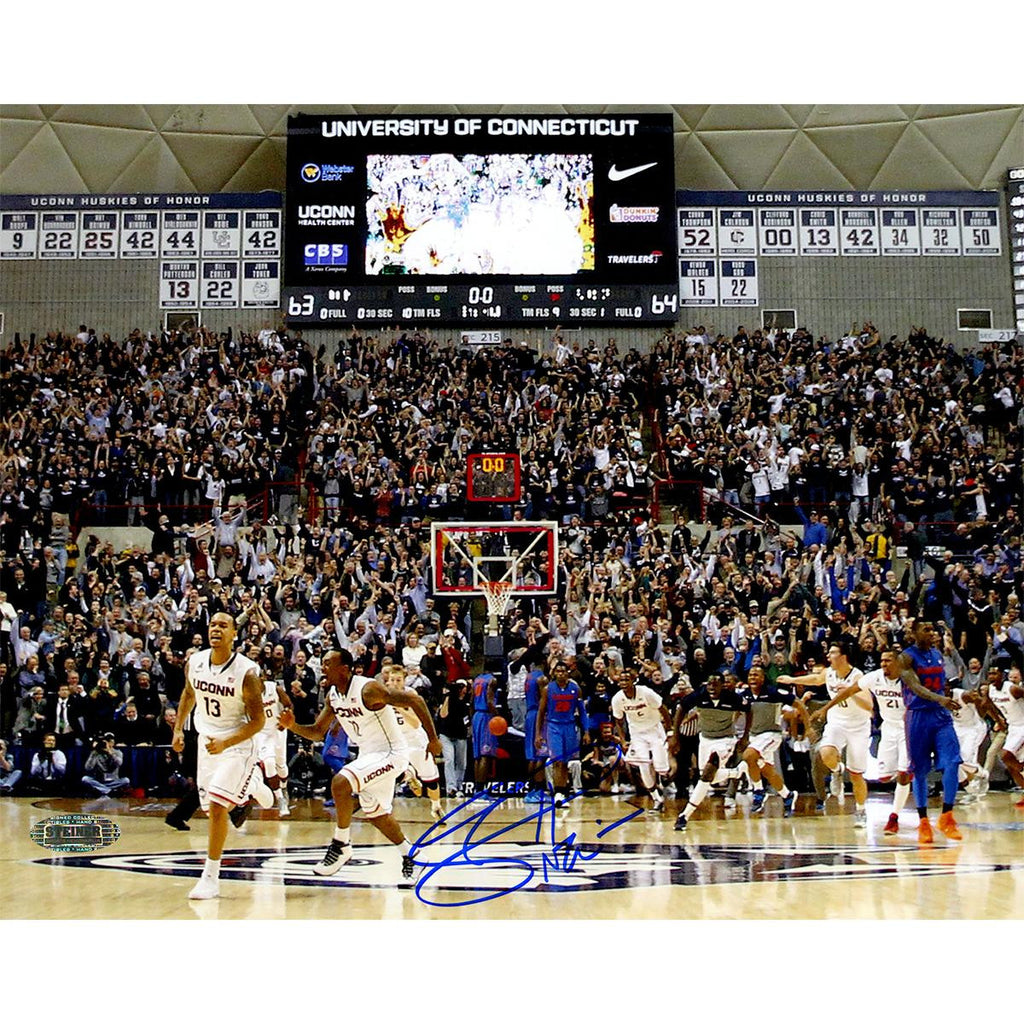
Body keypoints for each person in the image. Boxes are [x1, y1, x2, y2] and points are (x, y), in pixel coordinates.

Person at [279, 647, 436, 879]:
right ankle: (411, 854)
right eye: (322, 663)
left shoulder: (368, 689)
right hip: (369, 754)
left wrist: (433, 739)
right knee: (377, 814)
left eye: (327, 663)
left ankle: (341, 845)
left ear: (344, 669)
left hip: (392, 752)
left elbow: (415, 699)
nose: (322, 667)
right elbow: (317, 732)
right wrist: (292, 726)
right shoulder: (334, 695)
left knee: (341, 781)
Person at [171, 612, 273, 899]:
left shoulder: (248, 673)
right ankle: (251, 785)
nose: (216, 629)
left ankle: (210, 877)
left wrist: (227, 742)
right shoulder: (195, 662)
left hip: (237, 745)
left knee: (217, 807)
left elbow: (258, 723)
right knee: (213, 808)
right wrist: (178, 729)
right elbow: (188, 694)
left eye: (223, 626)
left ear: (234, 634)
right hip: (208, 743)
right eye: (213, 625)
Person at [778, 638, 872, 828]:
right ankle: (837, 771)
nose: (828, 655)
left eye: (833, 652)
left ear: (843, 656)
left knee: (857, 775)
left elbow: (869, 706)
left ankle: (861, 810)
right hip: (837, 722)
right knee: (825, 752)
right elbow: (815, 679)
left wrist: (850, 692)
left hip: (858, 726)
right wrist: (792, 680)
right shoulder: (829, 673)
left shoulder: (858, 677)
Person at [897, 619, 965, 843]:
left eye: (932, 629)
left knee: (953, 762)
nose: (931, 633)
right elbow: (916, 688)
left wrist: (946, 699)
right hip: (918, 716)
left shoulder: (937, 654)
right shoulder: (905, 657)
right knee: (920, 770)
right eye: (925, 629)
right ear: (914, 633)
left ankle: (947, 815)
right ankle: (923, 822)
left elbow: (941, 684)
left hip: (941, 716)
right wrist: (942, 699)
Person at [673, 674, 750, 831]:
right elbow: (681, 709)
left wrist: (745, 736)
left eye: (715, 684)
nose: (712, 687)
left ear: (723, 685)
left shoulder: (733, 698)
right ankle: (735, 773)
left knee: (708, 773)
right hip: (705, 739)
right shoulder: (699, 695)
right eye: (709, 684)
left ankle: (684, 815)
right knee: (708, 778)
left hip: (725, 739)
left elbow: (749, 710)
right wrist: (675, 735)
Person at [738, 665, 804, 817]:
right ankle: (787, 795)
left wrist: (807, 728)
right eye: (750, 675)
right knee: (767, 770)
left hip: (771, 734)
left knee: (748, 756)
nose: (752, 678)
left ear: (763, 678)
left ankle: (758, 791)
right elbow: (735, 712)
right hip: (755, 736)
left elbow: (798, 704)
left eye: (756, 675)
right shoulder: (744, 695)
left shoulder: (774, 692)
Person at [383, 663, 444, 819]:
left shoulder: (411, 695)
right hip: (396, 742)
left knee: (431, 780)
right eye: (392, 680)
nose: (395, 683)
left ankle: (436, 806)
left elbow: (416, 723)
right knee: (389, 773)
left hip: (416, 741)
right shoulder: (382, 696)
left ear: (404, 681)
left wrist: (399, 708)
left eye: (398, 680)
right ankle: (407, 775)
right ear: (387, 681)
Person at [610, 666, 674, 812]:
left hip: (655, 730)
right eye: (621, 680)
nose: (623, 682)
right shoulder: (617, 699)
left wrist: (669, 730)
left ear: (634, 680)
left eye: (627, 679)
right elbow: (618, 721)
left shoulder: (645, 692)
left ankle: (664, 779)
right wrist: (623, 740)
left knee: (661, 768)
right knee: (643, 766)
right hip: (637, 734)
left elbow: (662, 708)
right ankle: (657, 799)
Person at [535, 660, 588, 807]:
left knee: (565, 762)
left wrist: (586, 731)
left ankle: (562, 791)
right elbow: (541, 712)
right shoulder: (548, 689)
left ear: (568, 673)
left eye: (563, 671)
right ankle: (558, 794)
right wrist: (538, 734)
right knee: (557, 760)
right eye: (557, 671)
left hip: (570, 726)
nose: (560, 674)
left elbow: (582, 711)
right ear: (554, 673)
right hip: (554, 726)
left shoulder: (575, 689)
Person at [255, 667, 293, 816]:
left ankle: (284, 787)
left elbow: (289, 705)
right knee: (269, 763)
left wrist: (286, 717)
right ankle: (280, 799)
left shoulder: (274, 688)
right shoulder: (249, 695)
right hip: (262, 733)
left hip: (278, 729)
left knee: (281, 766)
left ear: (263, 677)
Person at [987, 666, 1024, 807]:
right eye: (990, 673)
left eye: (995, 673)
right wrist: (998, 720)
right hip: (1013, 727)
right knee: (1011, 767)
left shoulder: (1013, 689)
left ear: (1002, 675)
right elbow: (989, 705)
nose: (992, 676)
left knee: (1005, 756)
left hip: (1022, 726)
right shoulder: (990, 690)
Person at [470, 671, 499, 794]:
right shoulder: (492, 680)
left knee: (477, 756)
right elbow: (489, 701)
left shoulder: (477, 679)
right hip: (486, 716)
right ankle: (481, 792)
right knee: (485, 755)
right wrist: (498, 716)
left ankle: (477, 790)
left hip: (476, 716)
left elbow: (471, 701)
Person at [81, 732, 131, 796]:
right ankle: (109, 791)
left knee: (126, 780)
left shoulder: (118, 752)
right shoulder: (95, 753)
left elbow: (119, 763)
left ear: (113, 743)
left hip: (113, 781)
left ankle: (102, 790)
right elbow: (88, 768)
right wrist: (94, 753)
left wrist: (110, 752)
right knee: (85, 779)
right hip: (99, 781)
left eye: (109, 741)